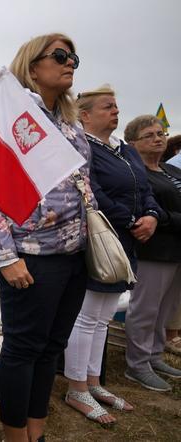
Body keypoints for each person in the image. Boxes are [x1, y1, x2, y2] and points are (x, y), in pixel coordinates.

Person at [0, 33, 94, 442]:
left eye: (73, 56)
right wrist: (5, 257)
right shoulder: (11, 114)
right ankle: (14, 437)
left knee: (51, 346)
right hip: (31, 255)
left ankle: (36, 433)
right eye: (59, 55)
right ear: (32, 64)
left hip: (74, 255)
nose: (70, 62)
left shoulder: (73, 125)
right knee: (23, 349)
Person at [64, 86, 161, 422]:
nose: (116, 111)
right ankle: (76, 387)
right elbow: (92, 191)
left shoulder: (125, 149)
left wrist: (152, 215)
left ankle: (93, 382)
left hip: (127, 240)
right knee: (87, 315)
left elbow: (146, 188)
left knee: (104, 317)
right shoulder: (81, 146)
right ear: (85, 115)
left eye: (117, 106)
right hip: (101, 239)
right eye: (107, 106)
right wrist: (133, 219)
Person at [124, 115, 181, 391]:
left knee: (165, 310)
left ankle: (154, 355)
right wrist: (171, 218)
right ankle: (136, 365)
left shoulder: (172, 171)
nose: (158, 138)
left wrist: (168, 217)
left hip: (176, 251)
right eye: (149, 135)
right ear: (133, 143)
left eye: (160, 133)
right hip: (153, 251)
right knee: (145, 310)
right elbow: (149, 213)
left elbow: (166, 213)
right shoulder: (135, 173)